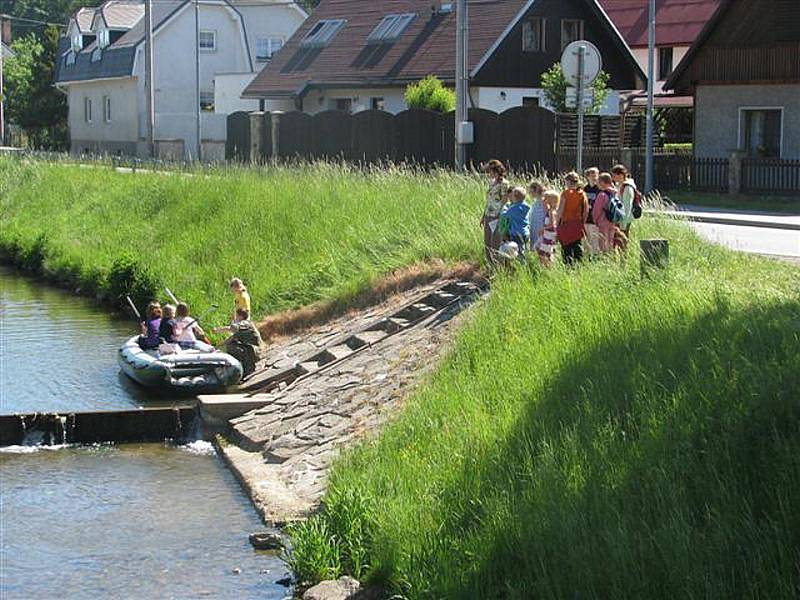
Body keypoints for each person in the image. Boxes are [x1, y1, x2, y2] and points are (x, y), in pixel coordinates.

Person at [215, 308, 264, 377]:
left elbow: (233, 328)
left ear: (240, 316)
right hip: (255, 350)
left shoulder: (245, 323)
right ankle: (244, 367)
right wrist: (219, 331)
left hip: (256, 351)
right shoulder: (244, 327)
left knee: (231, 347)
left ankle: (247, 368)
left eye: (236, 315)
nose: (235, 317)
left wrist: (222, 329)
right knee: (232, 344)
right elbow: (231, 338)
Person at [479, 159, 510, 265]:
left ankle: (498, 268)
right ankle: (490, 267)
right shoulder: (492, 183)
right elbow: (489, 200)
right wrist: (483, 216)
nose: (488, 174)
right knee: (487, 243)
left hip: (497, 216)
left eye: (490, 171)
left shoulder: (504, 183)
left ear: (496, 171)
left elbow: (505, 200)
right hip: (488, 214)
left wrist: (499, 215)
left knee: (495, 242)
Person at [556, 171, 588, 265]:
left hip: (566, 223)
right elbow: (586, 211)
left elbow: (560, 210)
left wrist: (556, 223)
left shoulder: (565, 194)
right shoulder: (582, 194)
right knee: (577, 246)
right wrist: (582, 222)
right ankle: (579, 266)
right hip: (577, 223)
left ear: (569, 182)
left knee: (566, 247)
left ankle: (568, 266)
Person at [592, 172, 624, 254]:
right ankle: (611, 258)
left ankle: (604, 259)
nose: (597, 185)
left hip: (603, 222)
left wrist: (595, 220)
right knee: (610, 242)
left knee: (603, 243)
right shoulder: (615, 194)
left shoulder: (602, 195)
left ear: (602, 182)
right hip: (613, 221)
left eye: (598, 182)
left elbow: (596, 210)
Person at [611, 164, 639, 251]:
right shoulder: (619, 185)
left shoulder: (627, 187)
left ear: (620, 175)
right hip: (618, 219)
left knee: (622, 242)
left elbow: (627, 206)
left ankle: (623, 262)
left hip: (624, 220)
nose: (613, 178)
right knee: (617, 242)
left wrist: (623, 224)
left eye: (614, 176)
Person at [499, 186, 531, 260]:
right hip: (525, 232)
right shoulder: (525, 206)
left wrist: (503, 207)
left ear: (515, 197)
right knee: (523, 249)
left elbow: (504, 215)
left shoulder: (514, 208)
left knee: (516, 251)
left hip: (516, 233)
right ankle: (523, 263)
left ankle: (520, 265)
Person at [536, 190, 559, 267]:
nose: (543, 200)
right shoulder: (550, 210)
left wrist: (543, 229)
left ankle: (548, 267)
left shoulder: (552, 212)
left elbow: (552, 224)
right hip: (548, 233)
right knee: (545, 252)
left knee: (544, 253)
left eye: (545, 199)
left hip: (549, 234)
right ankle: (547, 267)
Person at [583, 167, 602, 256]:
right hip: (586, 218)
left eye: (596, 175)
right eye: (592, 175)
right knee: (586, 240)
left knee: (595, 240)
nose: (594, 177)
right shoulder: (585, 189)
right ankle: (587, 257)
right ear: (588, 177)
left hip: (595, 219)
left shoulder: (599, 189)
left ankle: (595, 257)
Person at [527, 181, 546, 254]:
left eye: (531, 191)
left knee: (540, 244)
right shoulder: (536, 202)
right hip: (534, 225)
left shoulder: (543, 201)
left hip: (540, 225)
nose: (529, 193)